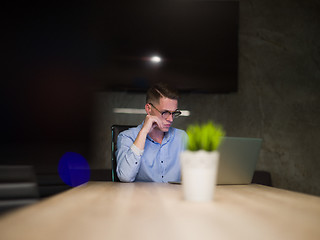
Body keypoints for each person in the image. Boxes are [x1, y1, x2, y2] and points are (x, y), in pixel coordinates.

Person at [116, 83, 188, 182]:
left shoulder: (182, 137)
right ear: (148, 109)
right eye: (165, 112)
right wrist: (144, 132)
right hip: (141, 197)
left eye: (174, 113)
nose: (170, 119)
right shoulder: (126, 137)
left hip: (173, 196)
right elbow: (125, 177)